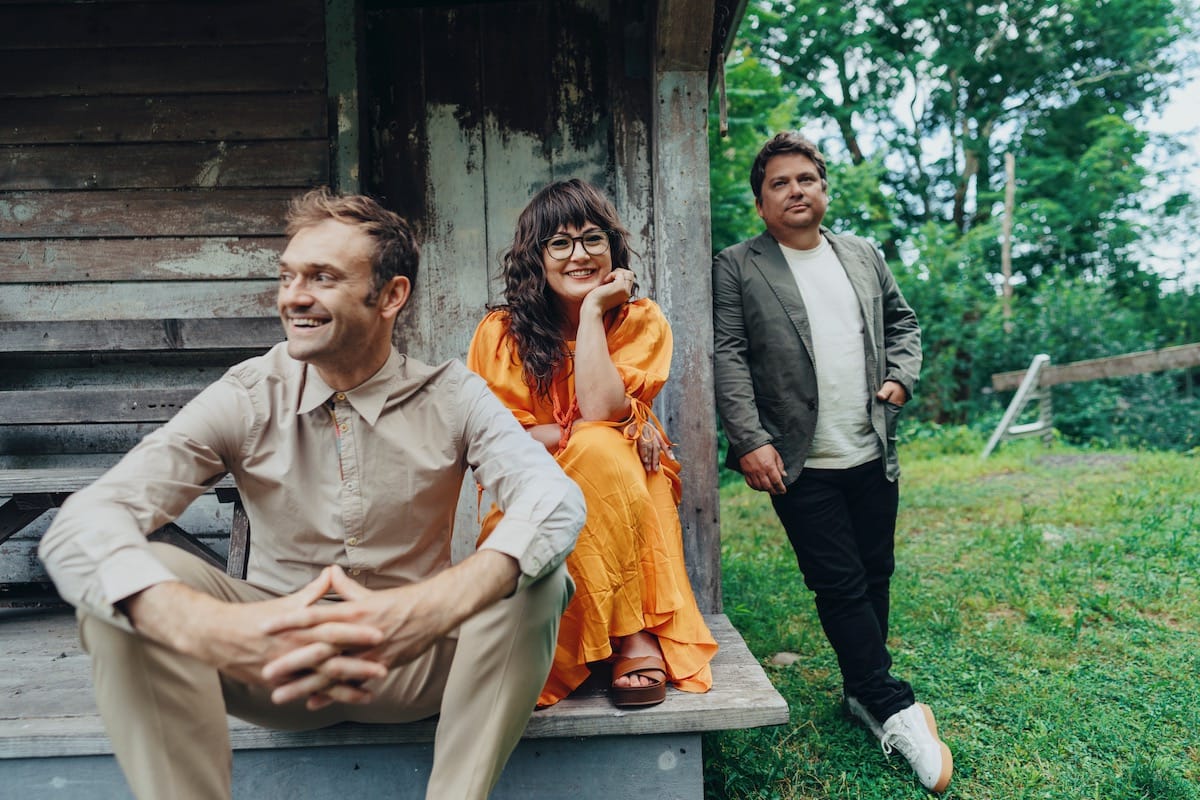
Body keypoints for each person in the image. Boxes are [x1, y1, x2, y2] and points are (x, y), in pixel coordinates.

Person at [38, 187, 585, 800]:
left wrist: (432, 606)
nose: (293, 296)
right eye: (287, 276)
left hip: (417, 661)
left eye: (322, 277)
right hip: (271, 665)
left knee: (536, 577)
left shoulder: (454, 396)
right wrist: (198, 622)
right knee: (134, 580)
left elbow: (555, 500)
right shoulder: (248, 393)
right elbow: (84, 523)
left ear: (391, 296)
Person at [711, 132, 951, 793]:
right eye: (780, 183)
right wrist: (749, 438)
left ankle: (860, 690)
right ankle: (892, 705)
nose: (796, 190)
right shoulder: (737, 265)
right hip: (798, 460)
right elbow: (728, 355)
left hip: (871, 447)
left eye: (806, 179)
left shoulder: (862, 253)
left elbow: (903, 325)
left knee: (875, 572)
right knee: (839, 583)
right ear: (761, 202)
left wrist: (900, 378)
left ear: (823, 189)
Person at [467, 179, 717, 709]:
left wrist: (591, 312)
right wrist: (586, 430)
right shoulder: (500, 332)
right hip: (533, 492)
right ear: (536, 258)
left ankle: (628, 633)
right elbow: (494, 442)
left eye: (592, 239)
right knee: (598, 446)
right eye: (560, 243)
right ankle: (627, 637)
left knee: (601, 447)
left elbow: (600, 407)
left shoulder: (639, 321)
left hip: (621, 485)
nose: (579, 255)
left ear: (612, 248)